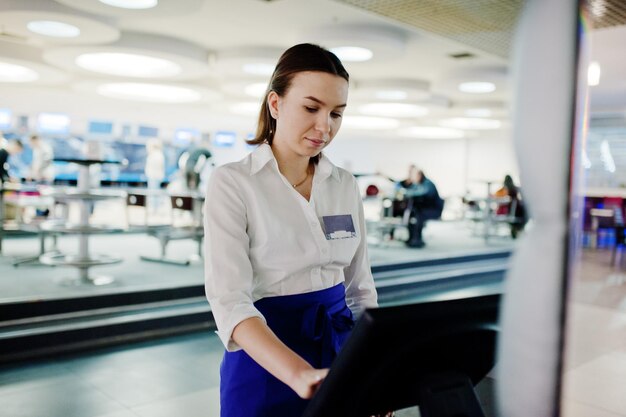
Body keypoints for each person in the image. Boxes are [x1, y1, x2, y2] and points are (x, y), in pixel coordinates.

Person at [204, 43, 379, 417]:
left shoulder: (344, 184)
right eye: (311, 108)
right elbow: (229, 300)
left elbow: (360, 288)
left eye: (337, 113)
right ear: (276, 104)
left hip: (338, 353)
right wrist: (299, 374)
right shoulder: (234, 183)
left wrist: (374, 370)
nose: (325, 126)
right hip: (265, 356)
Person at [399, 169, 444, 248]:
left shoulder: (427, 184)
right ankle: (412, 238)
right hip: (425, 209)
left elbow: (420, 192)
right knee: (412, 213)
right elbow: (411, 189)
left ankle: (417, 239)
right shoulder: (419, 184)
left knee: (418, 215)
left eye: (415, 177)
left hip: (434, 210)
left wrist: (407, 193)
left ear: (420, 176)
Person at [144, 138, 165, 212]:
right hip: (153, 176)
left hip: (154, 176)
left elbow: (157, 166)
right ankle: (154, 208)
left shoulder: (156, 154)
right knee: (153, 193)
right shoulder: (157, 154)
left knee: (154, 193)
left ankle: (155, 209)